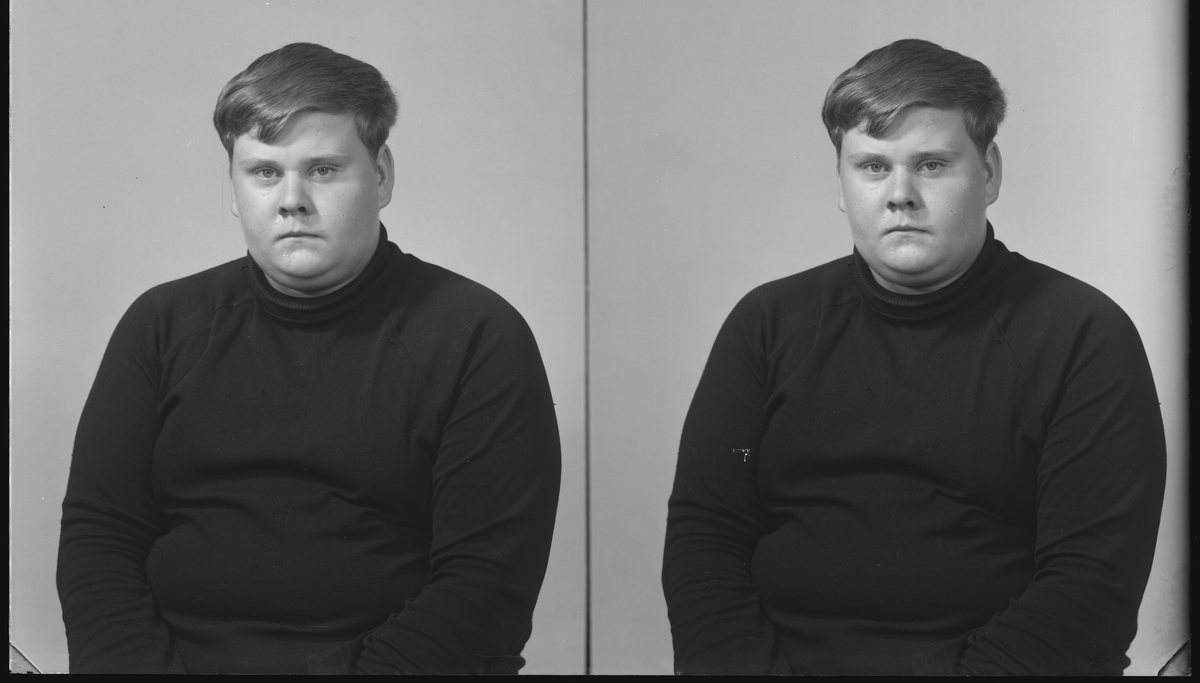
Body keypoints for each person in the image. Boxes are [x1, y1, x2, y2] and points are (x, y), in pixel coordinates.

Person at [662, 39, 1167, 675]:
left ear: (989, 173)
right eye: (873, 166)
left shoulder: (1084, 336)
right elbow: (706, 539)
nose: (900, 194)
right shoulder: (765, 324)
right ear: (842, 184)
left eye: (931, 164)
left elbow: (1089, 589)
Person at [57, 43, 562, 674]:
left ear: (381, 176)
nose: (291, 199)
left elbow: (484, 593)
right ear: (235, 189)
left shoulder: (478, 335)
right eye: (264, 172)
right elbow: (99, 545)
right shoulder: (160, 325)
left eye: (322, 169)